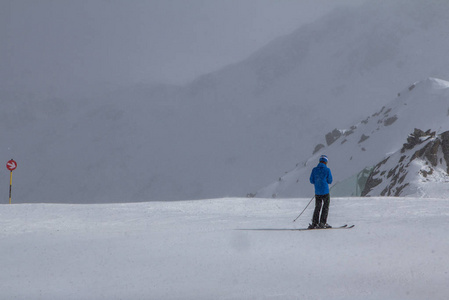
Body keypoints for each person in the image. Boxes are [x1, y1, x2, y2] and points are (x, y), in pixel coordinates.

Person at [309, 155, 333, 229]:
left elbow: (311, 180)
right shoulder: (327, 170)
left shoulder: (314, 170)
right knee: (325, 207)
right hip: (325, 191)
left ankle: (314, 223)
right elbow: (330, 181)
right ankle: (322, 223)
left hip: (317, 192)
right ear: (326, 162)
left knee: (317, 207)